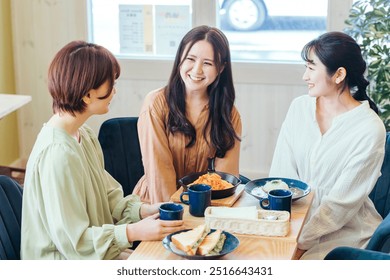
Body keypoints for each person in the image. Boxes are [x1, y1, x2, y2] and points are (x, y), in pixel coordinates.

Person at [21, 41, 184, 260]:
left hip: (92, 253)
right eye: (111, 84)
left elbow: (108, 197)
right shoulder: (58, 155)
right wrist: (133, 231)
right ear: (87, 95)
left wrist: (146, 210)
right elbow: (74, 243)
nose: (114, 90)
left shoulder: (82, 134)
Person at [269, 31, 386, 260]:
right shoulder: (299, 108)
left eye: (311, 68)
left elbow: (340, 206)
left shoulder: (370, 129)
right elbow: (280, 175)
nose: (305, 76)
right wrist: (278, 228)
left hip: (345, 236)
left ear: (339, 74)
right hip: (293, 225)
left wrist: (298, 245)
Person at [133, 25, 242, 203]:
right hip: (155, 204)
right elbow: (159, 173)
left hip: (200, 204)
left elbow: (224, 182)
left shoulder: (228, 114)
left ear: (221, 68)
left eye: (207, 63)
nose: (197, 70)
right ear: (180, 60)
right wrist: (176, 216)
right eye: (190, 59)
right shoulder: (156, 104)